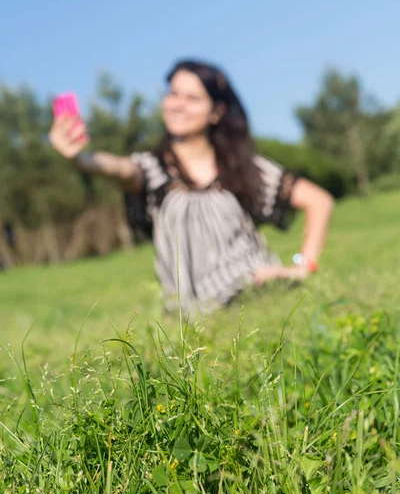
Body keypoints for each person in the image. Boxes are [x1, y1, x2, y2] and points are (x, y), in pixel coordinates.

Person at [49, 60, 334, 314]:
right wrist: (80, 159)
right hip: (190, 317)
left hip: (257, 297)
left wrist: (303, 267)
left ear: (216, 112)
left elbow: (318, 201)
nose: (177, 104)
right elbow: (120, 169)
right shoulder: (153, 170)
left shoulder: (242, 167)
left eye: (193, 98)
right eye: (173, 93)